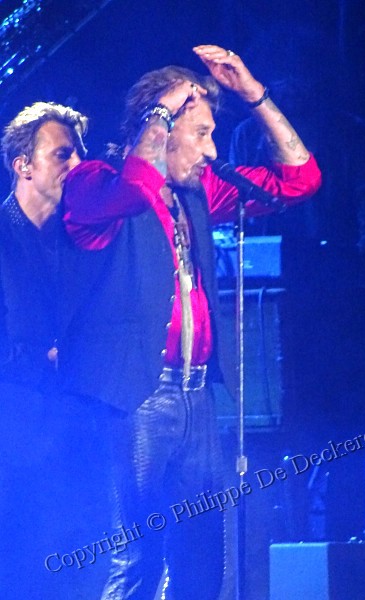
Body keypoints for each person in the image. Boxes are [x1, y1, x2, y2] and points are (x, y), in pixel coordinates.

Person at [60, 44, 321, 599]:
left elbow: (299, 179)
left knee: (204, 557)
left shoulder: (197, 191)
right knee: (134, 558)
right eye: (200, 133)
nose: (211, 150)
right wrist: (161, 112)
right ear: (160, 126)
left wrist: (254, 95)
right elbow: (135, 188)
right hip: (132, 397)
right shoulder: (93, 180)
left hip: (196, 396)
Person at [0, 102, 111, 599]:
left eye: (80, 153)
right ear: (23, 165)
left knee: (82, 567)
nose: (78, 165)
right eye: (63, 154)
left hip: (78, 427)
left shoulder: (84, 238)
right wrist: (40, 359)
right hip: (14, 432)